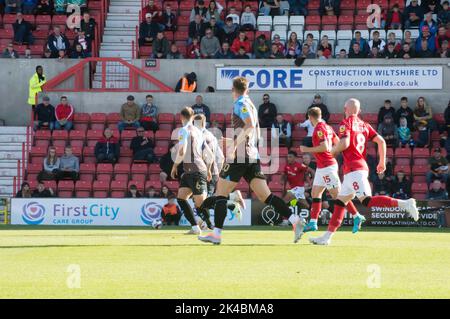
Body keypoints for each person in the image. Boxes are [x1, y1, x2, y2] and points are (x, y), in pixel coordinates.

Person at [198, 77, 305, 245]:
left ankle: (216, 233)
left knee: (221, 194)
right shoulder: (252, 105)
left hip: (241, 155)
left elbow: (248, 126)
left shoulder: (240, 104)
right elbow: (253, 129)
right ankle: (295, 220)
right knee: (265, 196)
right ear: (247, 89)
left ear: (233, 89)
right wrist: (235, 141)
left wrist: (234, 144)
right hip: (251, 154)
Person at [309, 98, 419, 246]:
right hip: (353, 170)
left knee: (367, 201)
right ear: (359, 111)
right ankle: (327, 237)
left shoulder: (345, 123)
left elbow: (345, 143)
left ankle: (406, 204)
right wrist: (381, 161)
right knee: (340, 203)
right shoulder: (365, 125)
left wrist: (333, 152)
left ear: (345, 109)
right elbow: (381, 141)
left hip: (355, 169)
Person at [299, 107, 365, 234]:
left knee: (338, 195)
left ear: (309, 117)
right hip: (322, 166)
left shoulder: (319, 129)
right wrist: (330, 154)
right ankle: (313, 222)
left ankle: (357, 216)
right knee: (315, 193)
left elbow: (325, 146)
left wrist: (306, 149)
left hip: (327, 167)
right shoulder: (328, 127)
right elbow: (337, 142)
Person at [170, 107, 214, 235]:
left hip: (196, 171)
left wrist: (174, 165)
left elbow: (182, 151)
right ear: (192, 116)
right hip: (191, 171)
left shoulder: (183, 131)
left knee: (200, 204)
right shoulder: (198, 131)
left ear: (181, 117)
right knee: (181, 198)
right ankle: (195, 228)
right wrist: (209, 169)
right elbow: (209, 154)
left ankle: (230, 199)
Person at [193, 114, 224, 229]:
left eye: (195, 122)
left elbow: (210, 156)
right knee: (200, 201)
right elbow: (221, 157)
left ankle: (232, 199)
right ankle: (204, 224)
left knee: (203, 201)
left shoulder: (203, 136)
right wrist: (217, 173)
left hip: (206, 173)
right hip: (208, 172)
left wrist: (213, 173)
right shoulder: (210, 136)